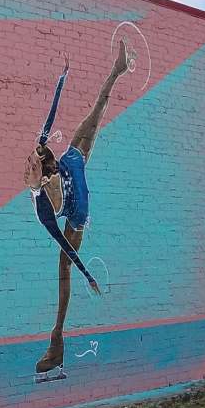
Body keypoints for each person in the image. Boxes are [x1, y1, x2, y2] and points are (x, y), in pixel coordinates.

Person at [25, 39, 132, 382]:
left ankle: (117, 70)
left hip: (74, 166)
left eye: (33, 164)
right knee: (64, 267)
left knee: (97, 112)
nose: (29, 165)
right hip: (76, 207)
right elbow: (65, 246)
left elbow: (52, 113)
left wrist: (63, 77)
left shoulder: (57, 158)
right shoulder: (43, 207)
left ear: (45, 170)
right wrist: (87, 274)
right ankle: (57, 340)